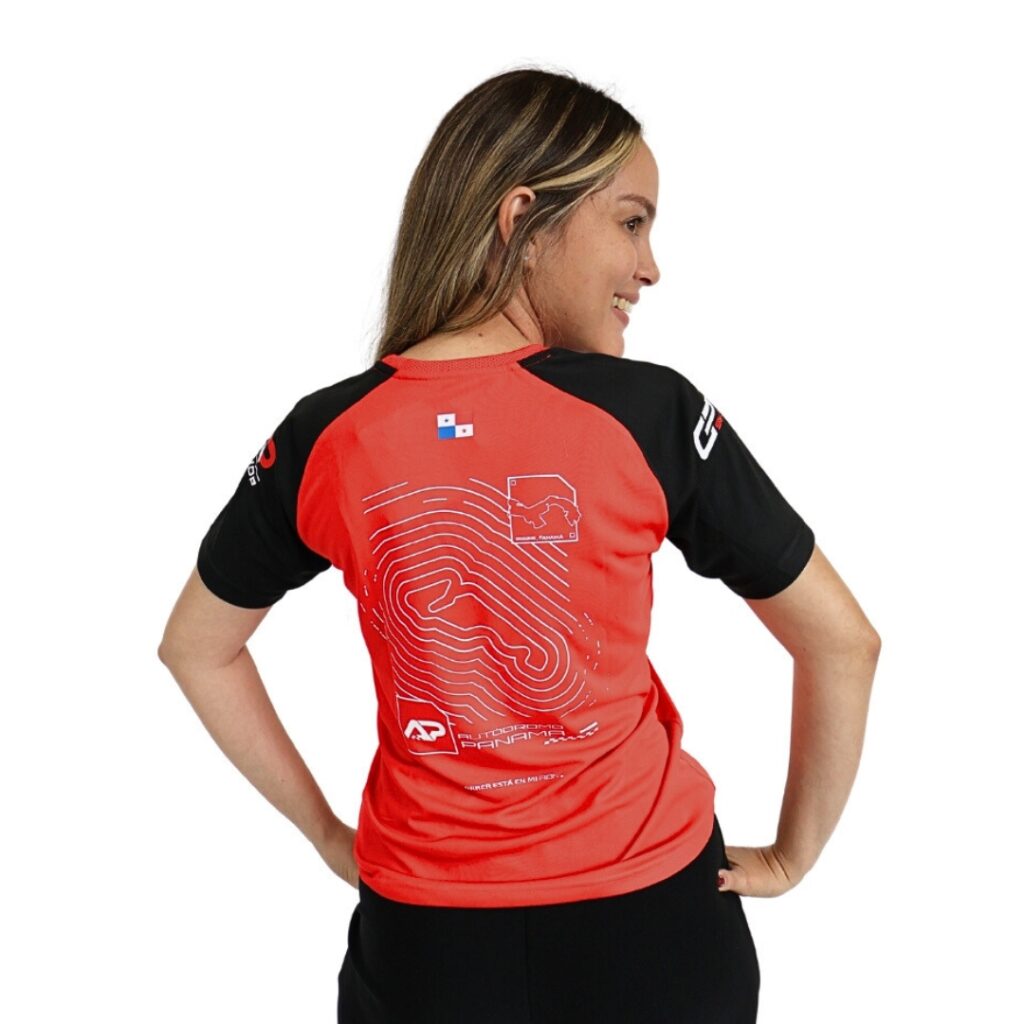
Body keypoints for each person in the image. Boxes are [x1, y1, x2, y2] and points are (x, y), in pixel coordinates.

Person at [158, 67, 881, 1024]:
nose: (651, 267)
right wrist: (793, 855)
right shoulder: (650, 413)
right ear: (524, 218)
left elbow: (196, 647)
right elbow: (843, 641)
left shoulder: (330, 434)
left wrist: (333, 837)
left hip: (424, 944)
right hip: (654, 927)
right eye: (631, 222)